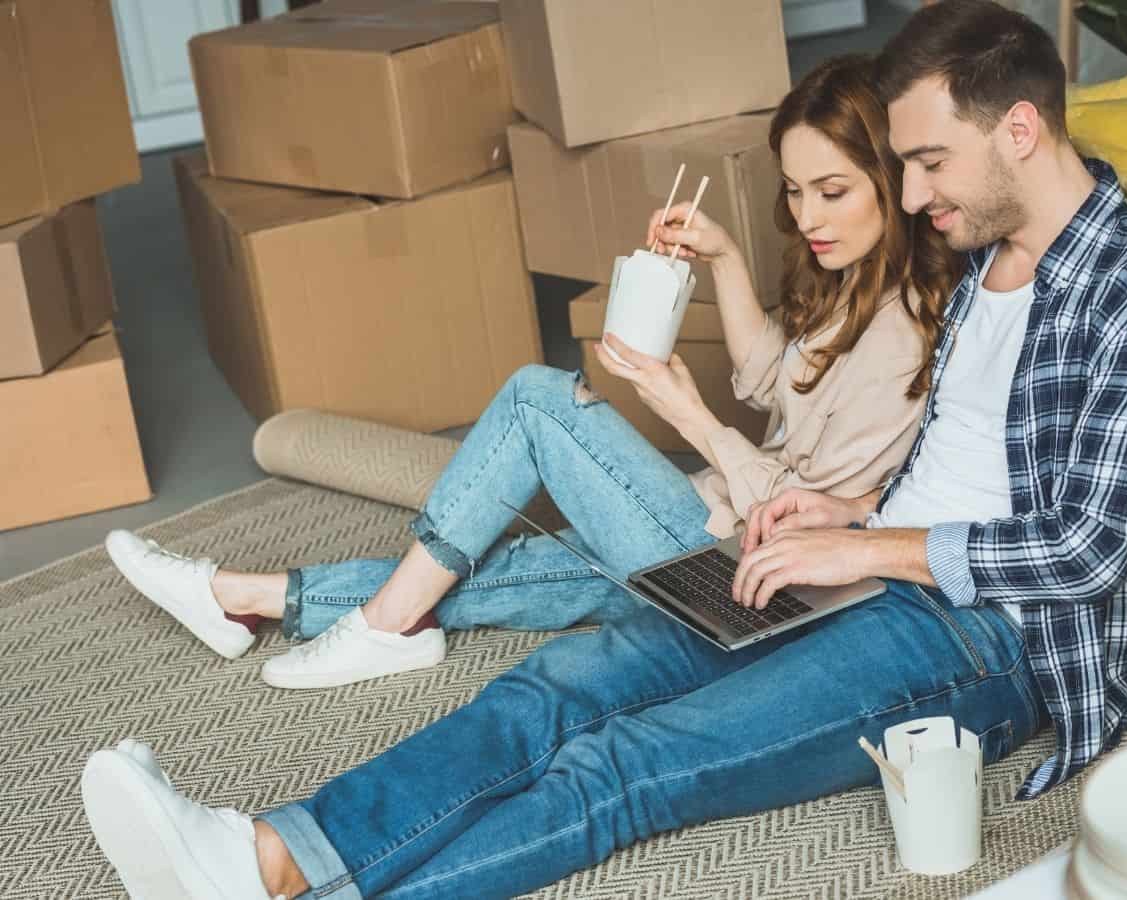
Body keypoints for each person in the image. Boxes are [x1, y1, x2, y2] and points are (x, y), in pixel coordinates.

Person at [82, 5, 1127, 895]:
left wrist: (872, 548)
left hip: (993, 643)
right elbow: (954, 462)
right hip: (872, 562)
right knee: (566, 677)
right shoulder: (985, 255)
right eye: (899, 166)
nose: (911, 195)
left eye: (927, 163)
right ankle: (265, 858)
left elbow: (1087, 552)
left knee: (627, 767)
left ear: (1019, 130)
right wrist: (844, 523)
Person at [101, 54, 952, 692]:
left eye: (833, 191)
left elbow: (797, 523)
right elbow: (774, 384)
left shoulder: (906, 338)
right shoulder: (852, 281)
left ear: (890, 179)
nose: (807, 217)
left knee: (540, 400)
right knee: (486, 574)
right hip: (717, 531)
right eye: (795, 192)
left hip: (765, 589)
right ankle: (241, 597)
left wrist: (687, 412)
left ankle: (382, 624)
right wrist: (726, 256)